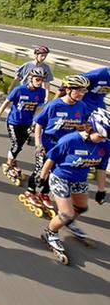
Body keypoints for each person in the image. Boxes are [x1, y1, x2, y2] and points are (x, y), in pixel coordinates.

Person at [39, 108, 109, 261]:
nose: (103, 140)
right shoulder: (71, 140)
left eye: (106, 137)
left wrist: (101, 190)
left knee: (81, 207)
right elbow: (51, 158)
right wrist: (42, 177)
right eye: (101, 136)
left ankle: (67, 222)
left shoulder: (105, 145)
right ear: (91, 129)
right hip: (60, 177)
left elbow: (101, 168)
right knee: (67, 213)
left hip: (79, 179)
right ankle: (50, 233)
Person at [27, 75, 89, 212]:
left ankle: (44, 194)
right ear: (68, 90)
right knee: (40, 169)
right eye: (78, 90)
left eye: (84, 91)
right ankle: (30, 191)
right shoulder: (54, 105)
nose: (81, 94)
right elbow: (39, 124)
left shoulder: (82, 106)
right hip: (49, 142)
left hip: (66, 147)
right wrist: (38, 144)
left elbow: (82, 125)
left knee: (55, 172)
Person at [0, 68, 46, 187]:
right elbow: (6, 102)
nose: (39, 82)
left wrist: (34, 123)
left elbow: (38, 109)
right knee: (16, 144)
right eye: (37, 79)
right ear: (30, 79)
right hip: (14, 122)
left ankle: (13, 159)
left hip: (27, 123)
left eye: (41, 80)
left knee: (20, 145)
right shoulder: (19, 90)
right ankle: (9, 164)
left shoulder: (41, 92)